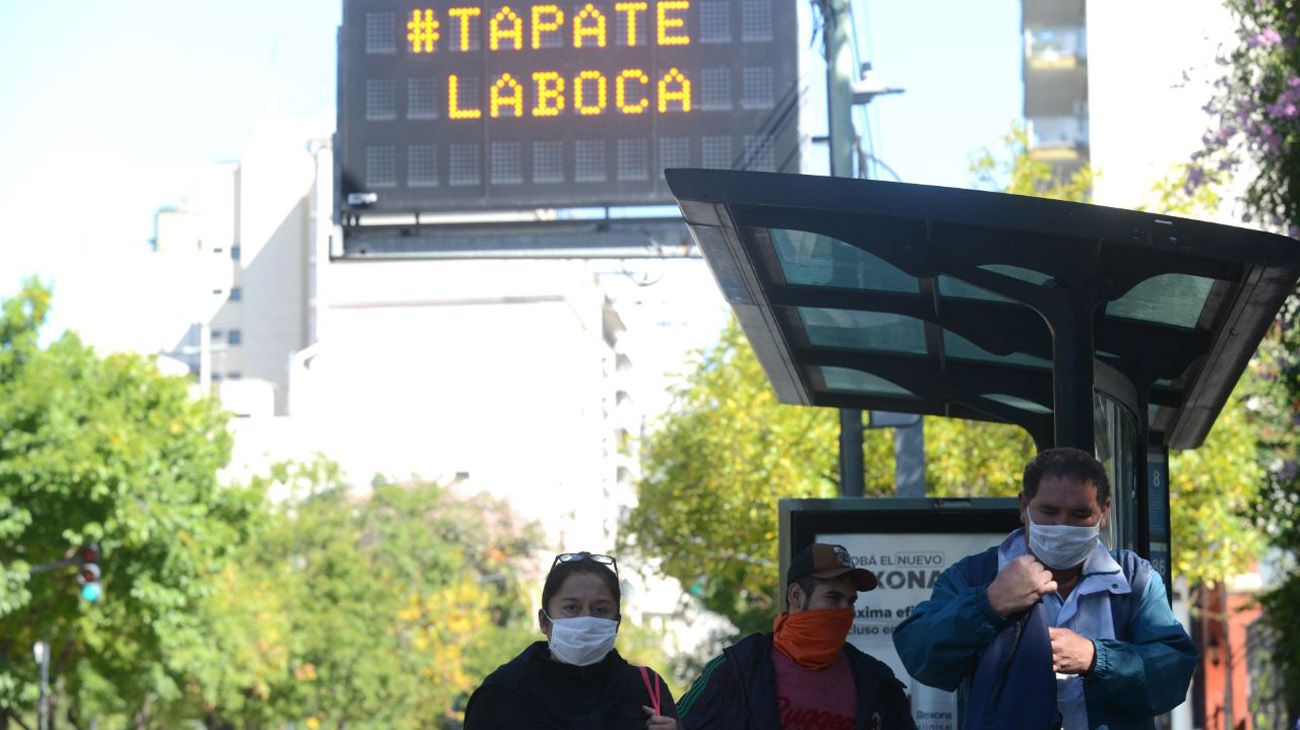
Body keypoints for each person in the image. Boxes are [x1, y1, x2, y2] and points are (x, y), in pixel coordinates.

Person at [892, 447, 1198, 730]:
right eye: (1049, 512)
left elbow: (1173, 673)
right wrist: (990, 603)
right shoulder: (976, 576)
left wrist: (1096, 658)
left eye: (1079, 515)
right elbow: (920, 656)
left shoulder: (1133, 580)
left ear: (1103, 512)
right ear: (1024, 506)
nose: (1062, 525)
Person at [677, 542, 917, 729]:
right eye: (833, 598)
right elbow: (678, 723)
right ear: (795, 596)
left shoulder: (876, 681)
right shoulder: (739, 668)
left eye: (851, 601)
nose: (845, 611)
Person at [464, 551, 678, 729]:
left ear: (617, 622)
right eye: (571, 608)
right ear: (544, 621)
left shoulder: (646, 689)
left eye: (601, 609)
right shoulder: (502, 695)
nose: (586, 619)